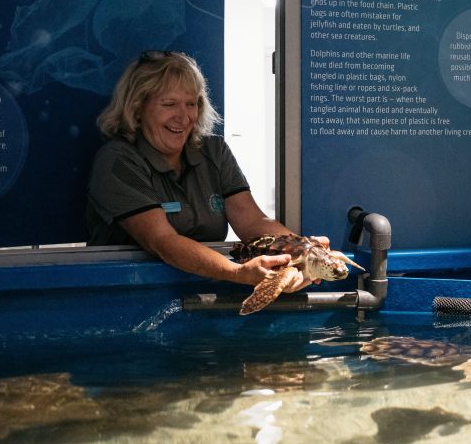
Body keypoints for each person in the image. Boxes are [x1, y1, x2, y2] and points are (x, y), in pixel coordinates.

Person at [86, 50, 322, 291]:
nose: (184, 117)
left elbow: (252, 221)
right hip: (130, 294)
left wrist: (306, 253)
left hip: (203, 291)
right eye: (169, 104)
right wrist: (238, 272)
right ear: (137, 108)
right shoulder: (117, 160)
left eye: (191, 104)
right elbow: (162, 241)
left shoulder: (214, 150)